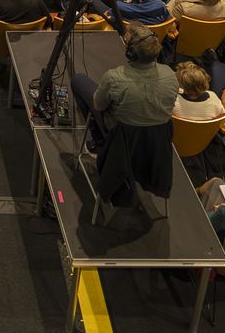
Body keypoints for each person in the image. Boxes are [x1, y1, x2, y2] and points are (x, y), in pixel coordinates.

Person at [73, 22, 177, 208]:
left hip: (121, 139)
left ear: (131, 53)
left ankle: (99, 141)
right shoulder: (170, 75)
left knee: (78, 81)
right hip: (156, 143)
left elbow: (98, 104)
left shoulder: (114, 77)